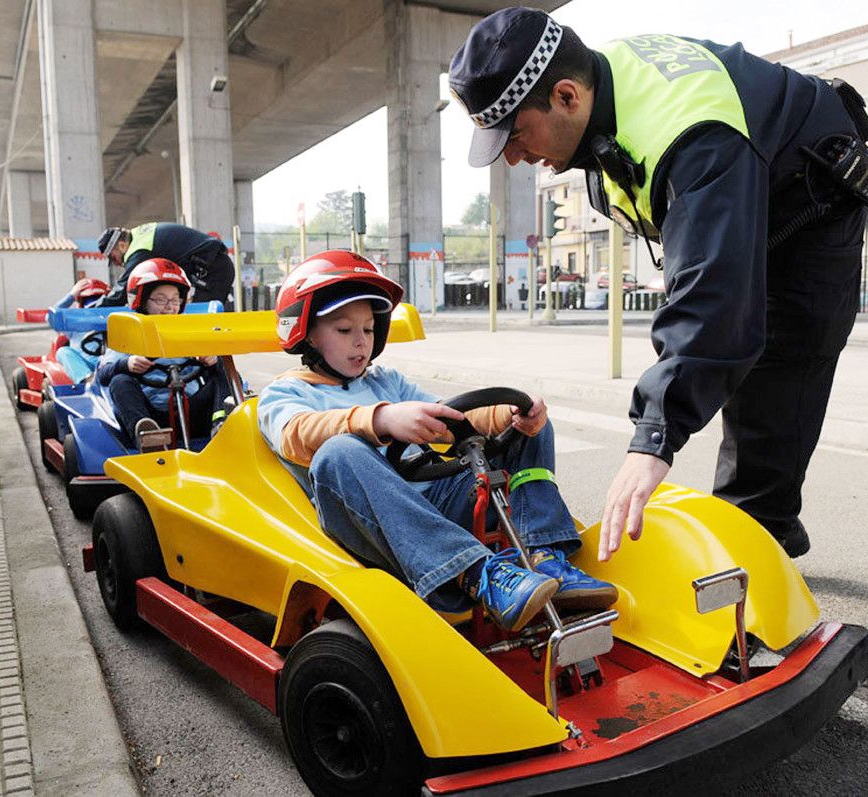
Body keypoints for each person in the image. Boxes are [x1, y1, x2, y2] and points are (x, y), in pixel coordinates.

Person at [450, 8, 868, 560]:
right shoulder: (600, 90)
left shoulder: (692, 132)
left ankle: (758, 537)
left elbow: (714, 300)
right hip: (753, 184)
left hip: (810, 207)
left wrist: (652, 439)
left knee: (782, 364)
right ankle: (760, 528)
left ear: (565, 97)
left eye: (513, 136)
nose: (512, 158)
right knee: (731, 350)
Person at [258, 251, 616, 632]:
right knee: (338, 451)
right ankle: (478, 574)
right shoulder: (284, 394)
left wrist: (507, 416)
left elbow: (448, 419)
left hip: (438, 503)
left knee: (530, 427)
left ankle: (543, 554)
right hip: (373, 524)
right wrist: (382, 419)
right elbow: (296, 435)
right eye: (344, 331)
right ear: (308, 333)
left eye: (368, 329)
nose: (360, 343)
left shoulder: (387, 381)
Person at [96, 259, 232, 450]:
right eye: (160, 299)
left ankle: (223, 424)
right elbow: (102, 375)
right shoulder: (128, 334)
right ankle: (149, 438)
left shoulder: (188, 332)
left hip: (190, 411)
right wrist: (127, 364)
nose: (170, 306)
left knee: (224, 370)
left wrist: (211, 361)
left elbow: (218, 370)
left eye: (175, 299)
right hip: (152, 415)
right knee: (120, 381)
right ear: (141, 301)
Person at [97, 223, 235, 308]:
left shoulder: (139, 250)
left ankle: (213, 356)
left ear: (121, 245)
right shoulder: (141, 234)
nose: (117, 263)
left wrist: (93, 310)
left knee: (200, 322)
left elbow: (123, 291)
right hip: (213, 266)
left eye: (113, 258)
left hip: (214, 271)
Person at [52, 277, 108, 384]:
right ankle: (89, 380)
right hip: (83, 365)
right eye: (89, 300)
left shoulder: (113, 318)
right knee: (62, 352)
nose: (94, 307)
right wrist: (71, 296)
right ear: (81, 302)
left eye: (98, 298)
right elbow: (51, 316)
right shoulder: (74, 321)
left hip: (108, 364)